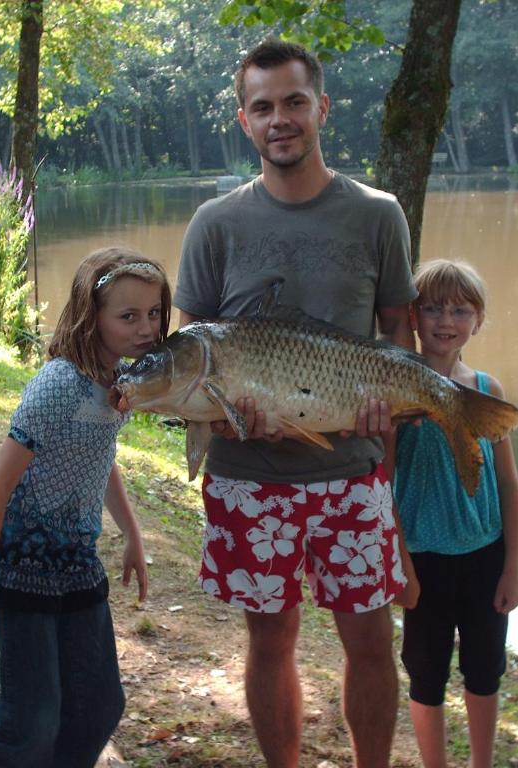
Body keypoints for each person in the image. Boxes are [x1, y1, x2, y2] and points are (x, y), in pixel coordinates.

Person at [173, 38, 418, 768]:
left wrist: (390, 416)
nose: (279, 118)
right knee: (269, 637)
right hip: (249, 475)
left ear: (321, 108)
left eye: (293, 102)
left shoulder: (378, 214)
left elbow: (395, 339)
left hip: (352, 469)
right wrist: (218, 413)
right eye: (262, 106)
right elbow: (191, 357)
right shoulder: (215, 223)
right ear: (245, 121)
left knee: (372, 640)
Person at [0, 247, 168, 766]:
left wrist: (133, 534)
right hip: (19, 570)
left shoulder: (118, 385)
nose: (147, 328)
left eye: (155, 313)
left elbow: (99, 457)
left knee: (98, 706)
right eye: (128, 316)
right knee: (32, 722)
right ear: (91, 316)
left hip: (74, 568)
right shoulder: (57, 386)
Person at [391, 260, 518, 768]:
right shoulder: (396, 386)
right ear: (413, 316)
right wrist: (399, 563)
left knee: (485, 669)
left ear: (479, 319)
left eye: (459, 309)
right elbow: (382, 483)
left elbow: (508, 484)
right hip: (423, 558)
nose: (445, 320)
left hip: (485, 555)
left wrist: (513, 566)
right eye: (432, 308)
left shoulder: (487, 391)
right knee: (426, 675)